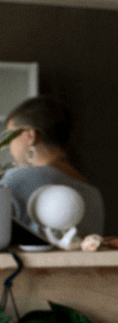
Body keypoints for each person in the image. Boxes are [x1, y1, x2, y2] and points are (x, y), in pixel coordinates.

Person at [1, 96, 105, 235]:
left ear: (31, 135)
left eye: (11, 137)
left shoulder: (19, 177)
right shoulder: (94, 194)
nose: (10, 146)